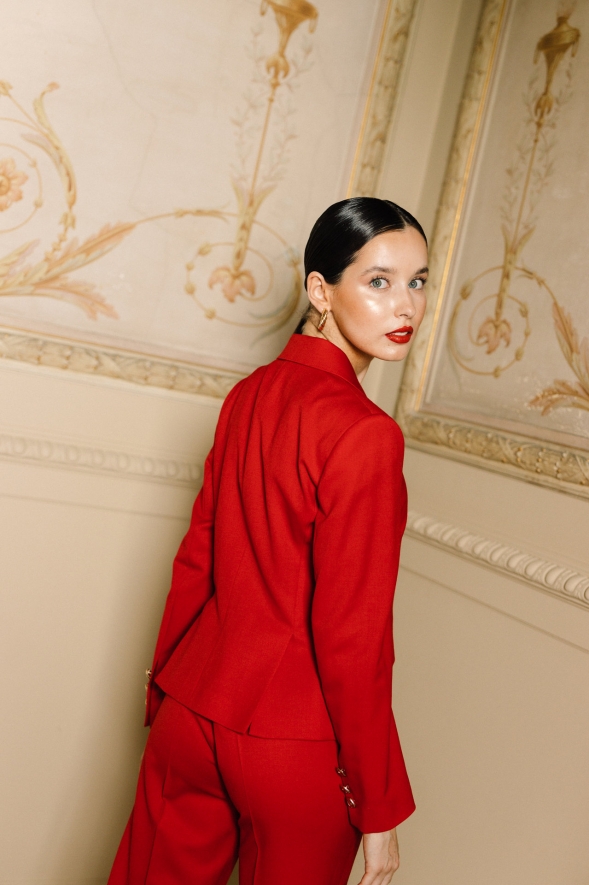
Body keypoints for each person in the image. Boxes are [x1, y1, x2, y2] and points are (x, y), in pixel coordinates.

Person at [107, 197, 428, 885]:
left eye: (417, 281)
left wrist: (164, 688)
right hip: (293, 744)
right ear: (320, 290)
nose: (405, 305)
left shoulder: (248, 395)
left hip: (191, 711)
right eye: (378, 281)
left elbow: (197, 560)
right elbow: (353, 639)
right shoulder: (367, 435)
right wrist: (377, 807)